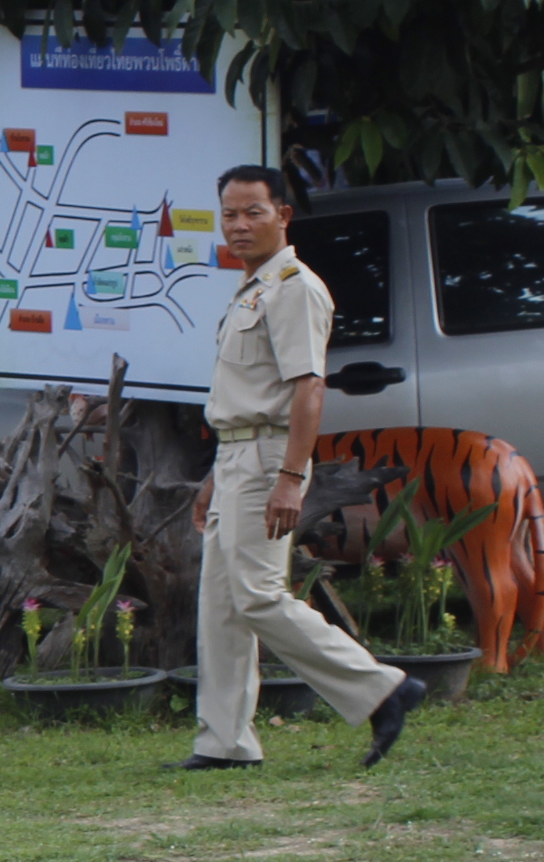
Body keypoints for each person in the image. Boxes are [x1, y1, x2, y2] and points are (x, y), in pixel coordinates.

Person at [173, 165, 424, 772]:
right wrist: (214, 475)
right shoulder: (254, 288)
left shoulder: (294, 287)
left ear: (283, 215)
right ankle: (225, 742)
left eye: (253, 212)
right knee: (222, 604)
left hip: (267, 459)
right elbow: (244, 396)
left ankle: (382, 690)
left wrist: (290, 477)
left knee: (258, 595)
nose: (239, 225)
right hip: (238, 454)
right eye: (229, 214)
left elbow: (309, 387)